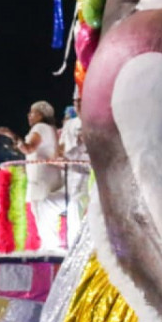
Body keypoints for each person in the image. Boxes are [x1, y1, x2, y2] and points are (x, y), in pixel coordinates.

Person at [0, 101, 65, 251]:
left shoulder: (40, 127)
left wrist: (11, 134)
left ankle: (51, 247)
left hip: (42, 177)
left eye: (32, 112)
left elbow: (28, 149)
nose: (29, 115)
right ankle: (50, 245)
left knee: (42, 211)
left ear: (41, 115)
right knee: (41, 212)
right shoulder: (49, 129)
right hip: (45, 175)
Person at [58, 93, 89, 248]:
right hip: (71, 173)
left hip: (90, 174)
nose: (77, 104)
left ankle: (82, 246)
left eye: (80, 101)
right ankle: (74, 246)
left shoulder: (94, 121)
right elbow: (62, 149)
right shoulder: (69, 124)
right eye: (75, 102)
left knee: (81, 205)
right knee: (72, 208)